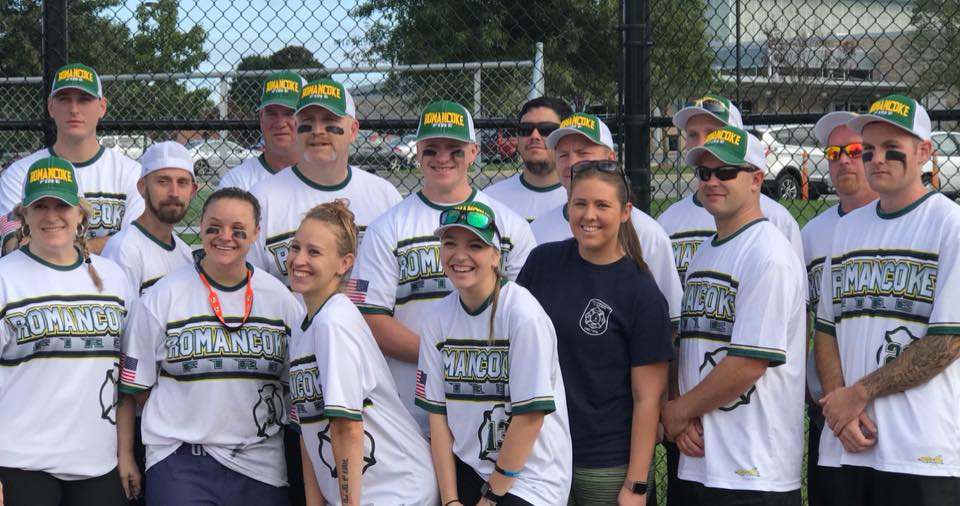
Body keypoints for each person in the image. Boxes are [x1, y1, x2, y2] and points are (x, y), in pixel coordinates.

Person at [350, 100, 537, 435]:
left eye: (455, 149)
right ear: (418, 150)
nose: (442, 158)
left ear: (474, 151)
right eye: (432, 149)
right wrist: (441, 356)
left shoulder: (509, 225)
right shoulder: (388, 227)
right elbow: (371, 318)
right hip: (411, 410)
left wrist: (462, 360)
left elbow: (528, 318)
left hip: (492, 409)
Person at [655, 94, 803, 506]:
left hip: (754, 468)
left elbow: (748, 363)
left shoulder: (768, 253)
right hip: (703, 456)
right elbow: (690, 346)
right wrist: (683, 414)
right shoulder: (708, 251)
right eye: (704, 173)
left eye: (726, 171)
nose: (712, 182)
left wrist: (679, 410)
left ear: (756, 179)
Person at [815, 95, 960, 506]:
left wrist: (857, 394)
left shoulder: (949, 225)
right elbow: (825, 329)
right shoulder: (847, 229)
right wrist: (839, 407)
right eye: (869, 149)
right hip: (847, 444)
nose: (877, 159)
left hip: (919, 450)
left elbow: (947, 342)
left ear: (924, 152)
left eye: (892, 149)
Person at [117, 188, 302, 506]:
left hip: (260, 462)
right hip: (181, 459)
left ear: (256, 233)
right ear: (200, 226)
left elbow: (294, 384)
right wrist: (186, 415)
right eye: (214, 227)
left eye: (238, 229)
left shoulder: (281, 301)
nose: (224, 237)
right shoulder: (164, 296)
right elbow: (136, 384)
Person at [518, 161, 672, 505]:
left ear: (625, 212)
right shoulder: (542, 263)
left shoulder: (641, 293)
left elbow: (647, 399)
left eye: (602, 205)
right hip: (539, 453)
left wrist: (635, 484)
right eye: (580, 203)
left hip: (604, 463)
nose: (589, 215)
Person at [416, 200, 572, 505]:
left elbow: (530, 418)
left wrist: (491, 496)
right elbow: (437, 415)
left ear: (495, 255)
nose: (460, 256)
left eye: (475, 245)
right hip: (471, 468)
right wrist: (450, 500)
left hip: (530, 476)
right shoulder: (437, 319)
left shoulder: (522, 315)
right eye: (450, 244)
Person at [0, 157, 133, 505]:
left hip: (97, 463)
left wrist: (125, 453)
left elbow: (124, 380)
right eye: (39, 206)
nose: (51, 215)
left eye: (62, 204)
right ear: (23, 215)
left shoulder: (114, 279)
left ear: (81, 213)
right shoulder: (5, 277)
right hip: (19, 462)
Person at [286, 200, 437, 505]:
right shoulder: (305, 327)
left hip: (397, 489)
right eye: (294, 247)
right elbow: (309, 431)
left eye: (314, 252)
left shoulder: (334, 322)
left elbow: (348, 428)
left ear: (344, 264)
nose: (298, 259)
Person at [531, 112, 683, 327]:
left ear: (610, 158)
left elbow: (670, 324)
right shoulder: (538, 229)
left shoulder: (647, 233)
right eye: (563, 155)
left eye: (583, 153)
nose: (572, 163)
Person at [248, 77, 402, 287]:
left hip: (370, 319)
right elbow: (251, 288)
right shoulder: (261, 200)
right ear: (296, 126)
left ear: (353, 130)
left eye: (330, 121)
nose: (317, 130)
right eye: (308, 122)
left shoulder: (384, 196)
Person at [801, 111, 878, 506]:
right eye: (834, 152)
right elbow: (804, 320)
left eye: (854, 151)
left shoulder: (899, 225)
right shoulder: (811, 234)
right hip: (828, 412)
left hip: (891, 409)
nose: (844, 160)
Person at [657, 94, 803, 284]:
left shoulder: (777, 219)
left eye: (712, 133)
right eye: (692, 134)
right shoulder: (668, 221)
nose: (703, 143)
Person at [0, 63, 144, 254]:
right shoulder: (19, 173)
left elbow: (134, 245)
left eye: (84, 99)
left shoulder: (131, 173)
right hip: (40, 283)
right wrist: (104, 245)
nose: (74, 109)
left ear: (102, 107)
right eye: (64, 99)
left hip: (112, 283)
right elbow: (14, 247)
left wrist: (53, 249)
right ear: (51, 106)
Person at [102, 141, 197, 296]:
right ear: (142, 188)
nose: (174, 192)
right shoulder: (124, 251)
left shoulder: (186, 253)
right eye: (163, 181)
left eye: (182, 183)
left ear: (192, 191)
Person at [484, 96, 572, 222]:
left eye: (546, 129)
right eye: (526, 129)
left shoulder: (585, 203)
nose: (534, 136)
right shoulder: (490, 201)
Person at [218, 71, 304, 191]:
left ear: (307, 119)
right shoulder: (237, 182)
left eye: (290, 113)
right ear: (261, 118)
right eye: (272, 114)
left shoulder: (327, 176)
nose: (280, 123)